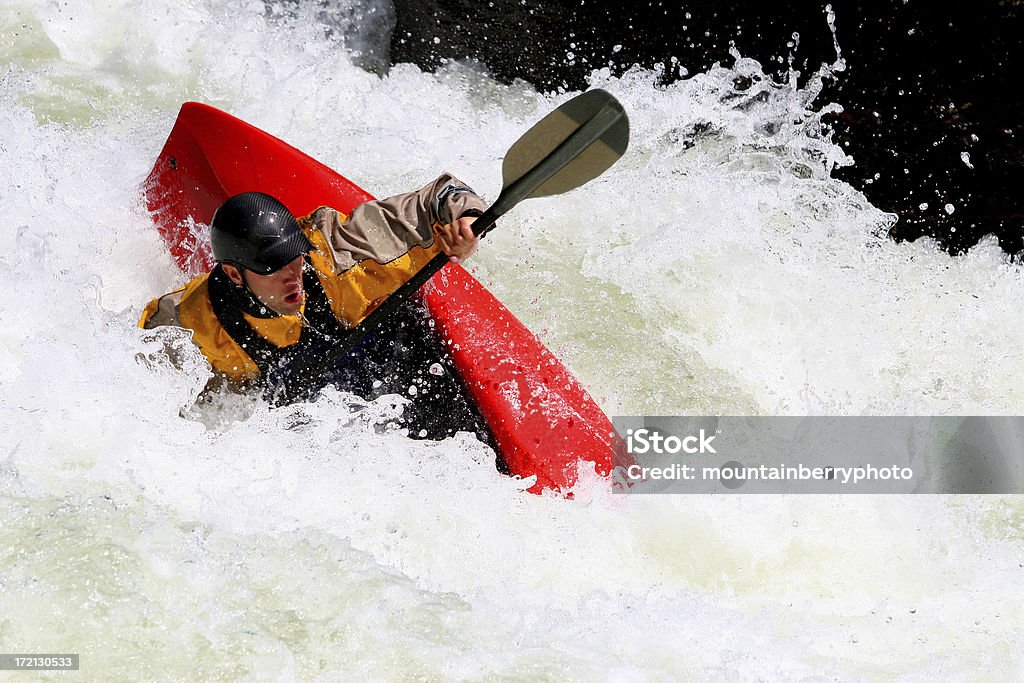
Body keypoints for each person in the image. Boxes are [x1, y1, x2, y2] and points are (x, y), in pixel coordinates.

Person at [140, 173, 493, 441]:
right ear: (234, 273)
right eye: (272, 267)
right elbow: (134, 360)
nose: (292, 275)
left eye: (293, 258)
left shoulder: (341, 255)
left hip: (391, 351)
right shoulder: (194, 317)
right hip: (310, 410)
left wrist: (467, 220)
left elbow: (442, 194)